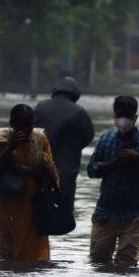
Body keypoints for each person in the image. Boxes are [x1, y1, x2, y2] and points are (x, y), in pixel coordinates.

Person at [86, 96, 139, 267]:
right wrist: (112, 163)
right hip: (105, 212)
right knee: (98, 262)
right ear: (115, 116)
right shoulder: (106, 140)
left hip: (132, 214)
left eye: (128, 116)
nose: (123, 120)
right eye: (120, 115)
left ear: (135, 117)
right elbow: (91, 170)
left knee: (127, 263)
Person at [0, 104, 59, 261]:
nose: (25, 129)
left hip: (32, 207)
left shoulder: (39, 138)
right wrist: (9, 148)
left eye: (29, 125)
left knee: (36, 257)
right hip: (5, 208)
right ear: (12, 123)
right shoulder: (1, 138)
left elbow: (51, 170)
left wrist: (33, 172)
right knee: (6, 257)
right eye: (21, 124)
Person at [32, 76, 94, 212]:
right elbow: (88, 136)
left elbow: (31, 132)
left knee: (37, 209)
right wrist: (72, 147)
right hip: (66, 168)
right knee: (63, 212)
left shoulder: (41, 106)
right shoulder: (79, 112)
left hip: (39, 166)